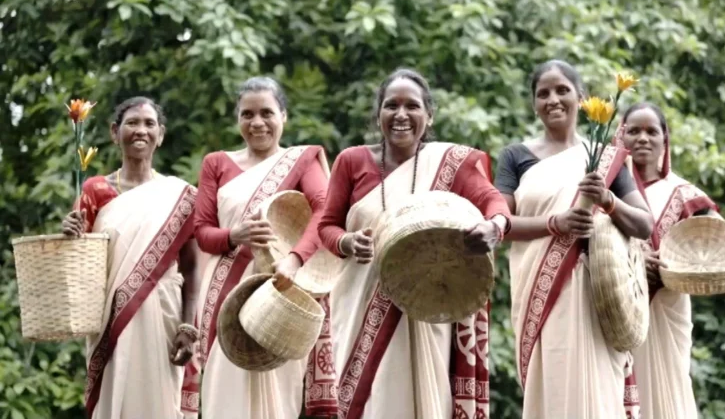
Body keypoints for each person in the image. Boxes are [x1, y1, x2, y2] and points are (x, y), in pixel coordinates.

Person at [317, 68, 512, 419]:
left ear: (429, 115)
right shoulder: (352, 161)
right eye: (391, 105)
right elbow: (326, 226)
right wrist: (347, 242)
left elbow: (494, 202)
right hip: (360, 305)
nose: (401, 115)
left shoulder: (450, 165)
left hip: (426, 308)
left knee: (423, 401)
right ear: (378, 115)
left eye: (413, 106)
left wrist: (494, 227)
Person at [495, 60, 655, 418]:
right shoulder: (515, 156)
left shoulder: (607, 159)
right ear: (534, 104)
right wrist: (557, 223)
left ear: (582, 98)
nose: (553, 99)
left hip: (597, 297)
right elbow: (500, 223)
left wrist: (608, 201)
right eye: (543, 93)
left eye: (562, 90)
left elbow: (645, 225)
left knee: (596, 395)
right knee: (552, 388)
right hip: (542, 296)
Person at [184, 76, 337, 419]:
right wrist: (234, 236)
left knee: (278, 394)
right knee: (225, 390)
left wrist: (294, 261)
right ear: (237, 118)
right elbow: (202, 231)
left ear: (284, 116)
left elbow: (324, 210)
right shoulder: (216, 163)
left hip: (280, 290)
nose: (257, 123)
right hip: (226, 292)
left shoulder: (302, 161)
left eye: (267, 113)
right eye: (247, 114)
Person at [615, 102, 725, 419]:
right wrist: (633, 257)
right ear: (620, 136)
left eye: (652, 131)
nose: (643, 138)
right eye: (634, 131)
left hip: (666, 308)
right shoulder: (606, 190)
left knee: (670, 391)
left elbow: (722, 232)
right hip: (616, 308)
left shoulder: (680, 192)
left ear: (664, 140)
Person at [61, 97, 199, 419]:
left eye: (149, 124)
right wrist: (68, 232)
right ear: (114, 132)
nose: (141, 130)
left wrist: (188, 328)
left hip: (163, 315)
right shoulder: (96, 190)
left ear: (161, 134)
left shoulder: (178, 195)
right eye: (132, 123)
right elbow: (77, 260)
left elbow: (192, 268)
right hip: (111, 320)